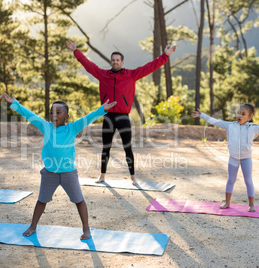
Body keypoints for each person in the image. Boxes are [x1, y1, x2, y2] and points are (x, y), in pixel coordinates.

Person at [4, 93, 116, 240]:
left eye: (58, 112)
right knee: (41, 201)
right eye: (52, 112)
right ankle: (32, 226)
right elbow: (30, 115)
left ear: (66, 116)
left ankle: (86, 229)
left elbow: (88, 118)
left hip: (68, 173)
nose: (54, 115)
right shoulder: (46, 126)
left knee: (79, 200)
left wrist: (102, 110)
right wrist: (15, 104)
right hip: (49, 173)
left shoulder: (72, 128)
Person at [66, 40, 177, 185]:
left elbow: (149, 67)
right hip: (108, 116)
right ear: (111, 62)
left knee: (127, 147)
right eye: (113, 60)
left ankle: (133, 177)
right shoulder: (103, 75)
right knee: (106, 147)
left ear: (122, 62)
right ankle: (102, 176)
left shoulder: (131, 75)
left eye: (118, 60)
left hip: (123, 117)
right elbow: (88, 65)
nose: (115, 62)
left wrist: (165, 56)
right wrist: (76, 51)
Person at [192, 103, 259, 212]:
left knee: (248, 181)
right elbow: (215, 121)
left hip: (246, 159)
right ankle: (227, 202)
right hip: (233, 158)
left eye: (243, 114)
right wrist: (202, 115)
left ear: (249, 117)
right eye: (238, 113)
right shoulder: (230, 125)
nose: (240, 115)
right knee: (231, 180)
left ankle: (251, 205)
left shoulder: (253, 128)